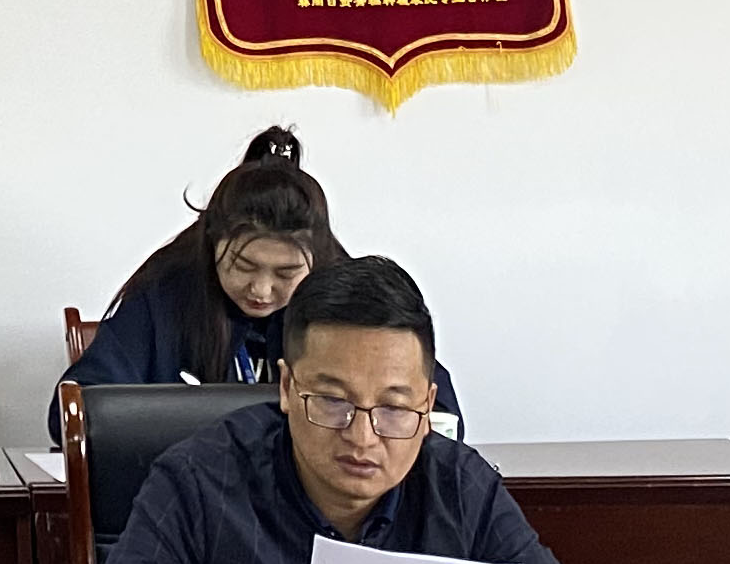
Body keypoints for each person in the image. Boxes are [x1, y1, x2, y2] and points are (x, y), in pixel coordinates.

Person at [68, 256, 615, 564]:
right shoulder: (201, 478)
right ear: (287, 388)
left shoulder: (458, 486)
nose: (363, 437)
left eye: (394, 408)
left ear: (428, 405)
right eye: (332, 401)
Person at [56, 127, 462, 438]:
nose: (261, 290)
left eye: (286, 274)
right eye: (244, 266)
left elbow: (441, 416)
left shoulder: (347, 303)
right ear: (213, 243)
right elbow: (73, 415)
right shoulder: (168, 293)